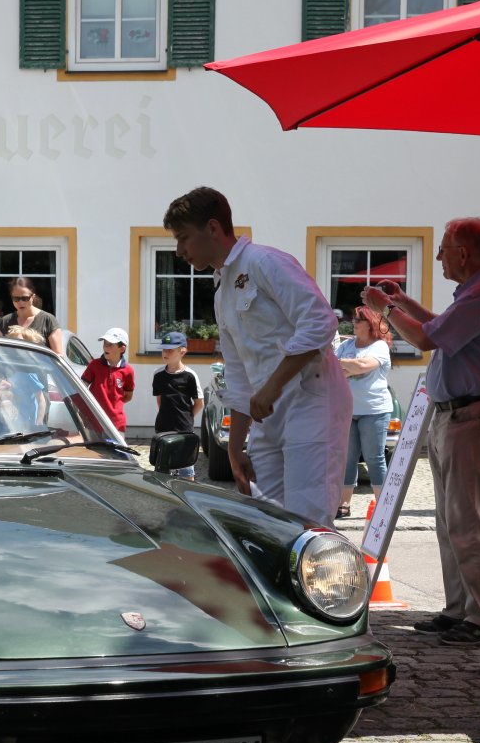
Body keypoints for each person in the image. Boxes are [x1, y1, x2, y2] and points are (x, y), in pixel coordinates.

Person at [364, 217, 480, 647]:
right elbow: (438, 330)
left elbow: (426, 340)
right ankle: (459, 609)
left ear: (462, 253)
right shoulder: (476, 291)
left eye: (443, 249)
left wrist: (385, 308)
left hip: (474, 414)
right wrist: (403, 302)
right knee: (450, 519)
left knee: (466, 519)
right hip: (459, 414)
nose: (437, 257)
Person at [164, 186, 351, 529]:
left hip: (311, 401)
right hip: (268, 411)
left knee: (309, 522)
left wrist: (271, 388)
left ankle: (328, 566)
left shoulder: (266, 261)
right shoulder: (222, 290)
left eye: (183, 238)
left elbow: (320, 322)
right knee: (267, 521)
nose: (179, 251)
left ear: (213, 228)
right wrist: (234, 448)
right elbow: (239, 372)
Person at [335, 306, 393, 519]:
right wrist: (351, 367)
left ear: (371, 324)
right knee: (347, 458)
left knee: (374, 458)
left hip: (374, 410)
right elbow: (332, 370)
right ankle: (344, 504)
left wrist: (347, 366)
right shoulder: (346, 345)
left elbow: (362, 365)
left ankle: (384, 506)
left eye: (359, 319)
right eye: (354, 318)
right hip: (347, 410)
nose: (354, 322)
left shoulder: (379, 346)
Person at [152, 330, 203, 480]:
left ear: (182, 352)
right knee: (163, 471)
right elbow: (160, 400)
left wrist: (187, 418)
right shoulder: (158, 375)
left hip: (184, 430)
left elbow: (199, 403)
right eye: (164, 349)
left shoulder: (190, 375)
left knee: (186, 472)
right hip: (163, 429)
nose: (165, 353)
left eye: (170, 350)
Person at [82, 327, 135, 433]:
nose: (106, 347)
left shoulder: (128, 370)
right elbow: (82, 388)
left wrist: (113, 406)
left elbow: (128, 396)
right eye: (105, 343)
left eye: (110, 344)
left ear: (122, 349)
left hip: (117, 424)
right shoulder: (94, 365)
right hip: (93, 421)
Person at [0, 276, 64, 354]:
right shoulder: (5, 321)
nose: (21, 302)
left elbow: (58, 355)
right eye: (16, 299)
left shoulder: (48, 320)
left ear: (33, 297)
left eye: (25, 298)